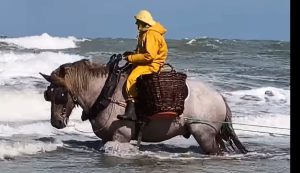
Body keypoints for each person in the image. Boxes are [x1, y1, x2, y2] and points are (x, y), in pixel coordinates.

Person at [117, 10, 168, 120]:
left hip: (152, 65)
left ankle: (131, 112)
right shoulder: (145, 33)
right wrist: (132, 54)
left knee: (131, 79)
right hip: (148, 63)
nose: (136, 24)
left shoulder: (151, 34)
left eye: (138, 22)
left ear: (143, 22)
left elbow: (149, 56)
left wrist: (130, 58)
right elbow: (143, 52)